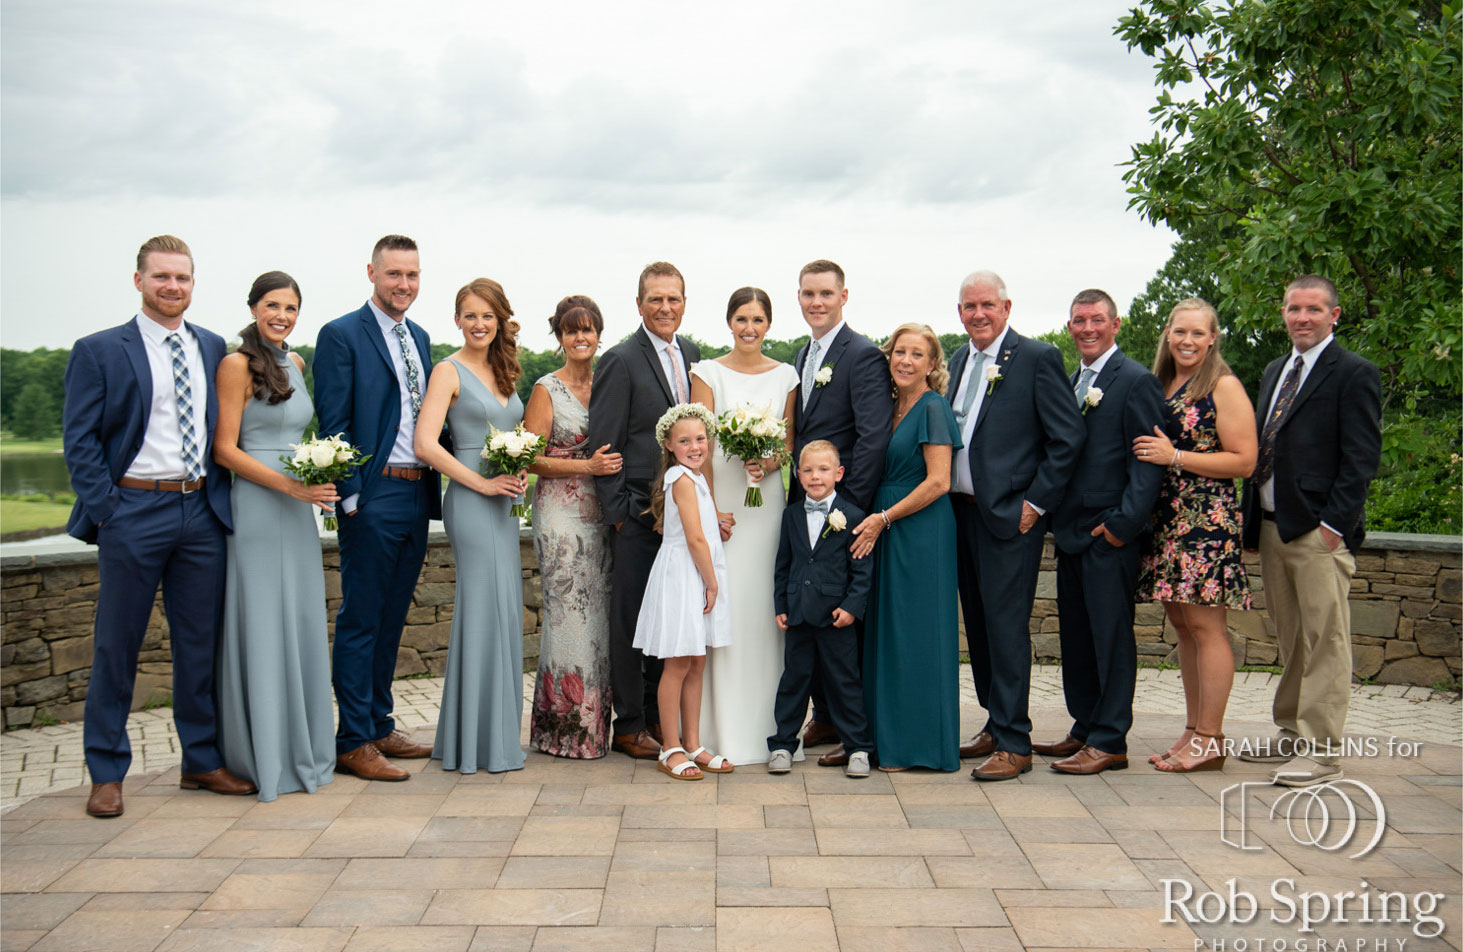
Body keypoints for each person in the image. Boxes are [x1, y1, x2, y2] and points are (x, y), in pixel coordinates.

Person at [63, 235, 255, 818]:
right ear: (139, 280)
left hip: (200, 510)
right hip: (133, 511)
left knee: (200, 646)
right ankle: (106, 770)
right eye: (162, 277)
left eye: (183, 277)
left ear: (193, 283)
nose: (173, 286)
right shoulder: (99, 350)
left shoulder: (212, 347)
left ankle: (200, 760)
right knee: (116, 645)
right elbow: (80, 440)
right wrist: (108, 512)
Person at [1237, 275, 1381, 787]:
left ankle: (1322, 752)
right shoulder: (1276, 370)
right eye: (1294, 308)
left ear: (1334, 315)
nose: (1302, 317)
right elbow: (1265, 448)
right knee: (1294, 639)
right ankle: (1291, 733)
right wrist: (1253, 524)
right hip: (1275, 526)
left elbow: (1361, 459)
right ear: (1283, 312)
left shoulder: (1354, 373)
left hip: (1318, 533)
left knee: (1326, 641)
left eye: (1314, 309)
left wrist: (1333, 528)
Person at [945, 270, 1085, 782]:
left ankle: (1015, 742)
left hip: (1009, 517)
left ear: (1007, 308)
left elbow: (1067, 439)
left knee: (1006, 629)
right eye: (968, 306)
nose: (977, 314)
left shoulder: (1036, 358)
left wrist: (1036, 504)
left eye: (987, 304)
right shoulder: (959, 359)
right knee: (979, 628)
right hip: (961, 515)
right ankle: (993, 720)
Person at [313, 235, 440, 781]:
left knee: (392, 618)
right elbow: (334, 421)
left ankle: (381, 722)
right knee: (361, 618)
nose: (404, 285)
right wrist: (352, 497)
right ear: (371, 272)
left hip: (416, 491)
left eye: (411, 275)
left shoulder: (421, 337)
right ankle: (353, 739)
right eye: (393, 274)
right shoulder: (341, 335)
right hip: (374, 494)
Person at [213, 271, 338, 800]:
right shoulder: (235, 364)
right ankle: (263, 751)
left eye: (290, 308)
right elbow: (225, 449)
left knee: (301, 618)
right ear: (253, 307)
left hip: (297, 504)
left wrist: (311, 477)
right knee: (264, 621)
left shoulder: (298, 363)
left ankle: (301, 745)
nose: (281, 316)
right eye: (271, 305)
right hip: (261, 504)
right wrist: (290, 485)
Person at [1037, 289, 1165, 775]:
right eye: (1078, 321)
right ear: (1069, 327)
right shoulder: (1073, 380)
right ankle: (1085, 727)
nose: (1087, 328)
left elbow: (1147, 461)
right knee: (1078, 636)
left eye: (1096, 320)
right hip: (1070, 530)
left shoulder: (1135, 381)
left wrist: (1121, 526)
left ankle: (1110, 739)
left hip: (1107, 533)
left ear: (1115, 324)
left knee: (1111, 637)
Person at [1132, 297, 1257, 773]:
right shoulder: (1162, 383)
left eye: (1197, 334)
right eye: (1179, 332)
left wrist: (1176, 458)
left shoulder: (1222, 385)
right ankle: (1192, 731)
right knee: (1183, 628)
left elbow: (1244, 460)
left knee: (1208, 629)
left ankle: (1211, 737)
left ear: (1212, 338)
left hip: (1205, 525)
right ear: (1168, 334)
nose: (1187, 341)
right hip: (1167, 524)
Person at [587, 262, 703, 760]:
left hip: (680, 519)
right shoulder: (620, 360)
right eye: (655, 299)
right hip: (636, 513)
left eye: (673, 299)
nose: (665, 307)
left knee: (671, 619)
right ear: (639, 305)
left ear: (684, 302)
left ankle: (660, 717)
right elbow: (605, 440)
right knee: (632, 619)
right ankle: (630, 723)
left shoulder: (693, 355)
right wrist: (619, 514)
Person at [413, 278, 529, 774]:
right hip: (471, 499)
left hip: (504, 503)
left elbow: (513, 433)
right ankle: (476, 744)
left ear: (500, 319)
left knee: (504, 611)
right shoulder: (448, 370)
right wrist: (480, 486)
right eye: (470, 315)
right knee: (482, 611)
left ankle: (491, 736)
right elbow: (426, 444)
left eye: (488, 315)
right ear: (457, 320)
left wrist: (520, 465)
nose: (479, 324)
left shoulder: (504, 372)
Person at [690, 287, 800, 765]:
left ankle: (772, 730)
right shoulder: (707, 373)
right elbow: (701, 445)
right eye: (741, 319)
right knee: (726, 606)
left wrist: (769, 464)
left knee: (764, 606)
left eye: (757, 319)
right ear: (728, 322)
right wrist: (711, 508)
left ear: (768, 324)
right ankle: (719, 730)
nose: (749, 328)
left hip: (767, 503)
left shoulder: (787, 375)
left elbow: (790, 439)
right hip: (726, 504)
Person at [789, 260, 893, 759]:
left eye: (826, 293)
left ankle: (847, 724)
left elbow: (872, 438)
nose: (817, 302)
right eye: (808, 293)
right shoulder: (801, 354)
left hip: (844, 512)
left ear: (844, 296)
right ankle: (824, 718)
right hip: (804, 504)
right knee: (811, 613)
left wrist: (850, 512)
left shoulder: (863, 355)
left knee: (839, 622)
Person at [850, 324, 962, 772]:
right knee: (888, 632)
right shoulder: (893, 405)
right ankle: (885, 740)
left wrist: (883, 518)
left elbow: (939, 481)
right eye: (899, 352)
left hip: (919, 530)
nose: (905, 361)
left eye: (917, 355)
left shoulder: (933, 408)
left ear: (932, 365)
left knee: (918, 634)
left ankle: (920, 746)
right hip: (886, 524)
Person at [524, 295, 620, 758]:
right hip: (560, 517)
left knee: (599, 616)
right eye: (570, 330)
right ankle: (563, 732)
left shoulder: (608, 382)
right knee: (569, 617)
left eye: (588, 329)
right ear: (559, 337)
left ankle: (597, 728)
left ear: (599, 334)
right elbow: (530, 458)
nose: (580, 337)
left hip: (602, 513)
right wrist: (588, 469)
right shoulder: (547, 388)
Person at [632, 404, 734, 780]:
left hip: (697, 572)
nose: (695, 447)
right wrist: (711, 582)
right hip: (684, 576)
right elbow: (693, 538)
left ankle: (693, 742)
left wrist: (718, 525)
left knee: (697, 660)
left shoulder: (698, 478)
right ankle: (670, 747)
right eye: (685, 441)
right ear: (669, 446)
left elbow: (704, 528)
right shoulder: (681, 479)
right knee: (677, 662)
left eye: (701, 439)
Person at [768, 441, 875, 778]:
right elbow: (782, 565)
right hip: (799, 615)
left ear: (839, 474)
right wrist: (781, 605)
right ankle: (784, 743)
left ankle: (857, 747)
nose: (816, 476)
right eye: (809, 470)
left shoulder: (853, 515)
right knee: (794, 681)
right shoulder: (790, 516)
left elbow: (862, 571)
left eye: (824, 469)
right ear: (797, 475)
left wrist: (851, 608)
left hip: (835, 619)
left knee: (844, 682)